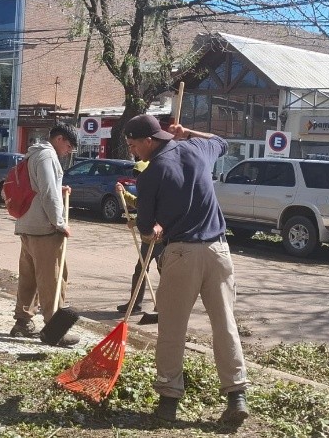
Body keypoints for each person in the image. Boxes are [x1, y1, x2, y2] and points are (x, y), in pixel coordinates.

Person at [123, 114, 249, 425]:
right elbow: (222, 142)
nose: (133, 151)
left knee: (172, 330)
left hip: (181, 254)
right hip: (219, 252)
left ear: (150, 141)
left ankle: (168, 402)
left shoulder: (150, 175)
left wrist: (152, 228)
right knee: (225, 325)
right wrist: (187, 131)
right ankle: (237, 395)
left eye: (134, 145)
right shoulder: (197, 149)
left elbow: (147, 230)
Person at [8, 122, 80, 347]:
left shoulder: (34, 155)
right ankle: (54, 329)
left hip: (27, 225)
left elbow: (40, 187)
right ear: (58, 139)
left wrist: (60, 189)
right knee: (54, 278)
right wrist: (59, 223)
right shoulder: (48, 156)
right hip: (44, 228)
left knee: (28, 277)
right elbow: (48, 193)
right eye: (69, 146)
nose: (69, 151)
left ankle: (23, 322)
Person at [114, 160, 165, 314]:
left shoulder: (158, 190)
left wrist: (136, 222)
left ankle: (164, 305)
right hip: (147, 239)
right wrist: (123, 193)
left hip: (160, 239)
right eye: (137, 176)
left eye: (141, 176)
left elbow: (158, 213)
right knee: (140, 271)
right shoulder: (146, 189)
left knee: (165, 272)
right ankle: (135, 304)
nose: (138, 180)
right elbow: (139, 204)